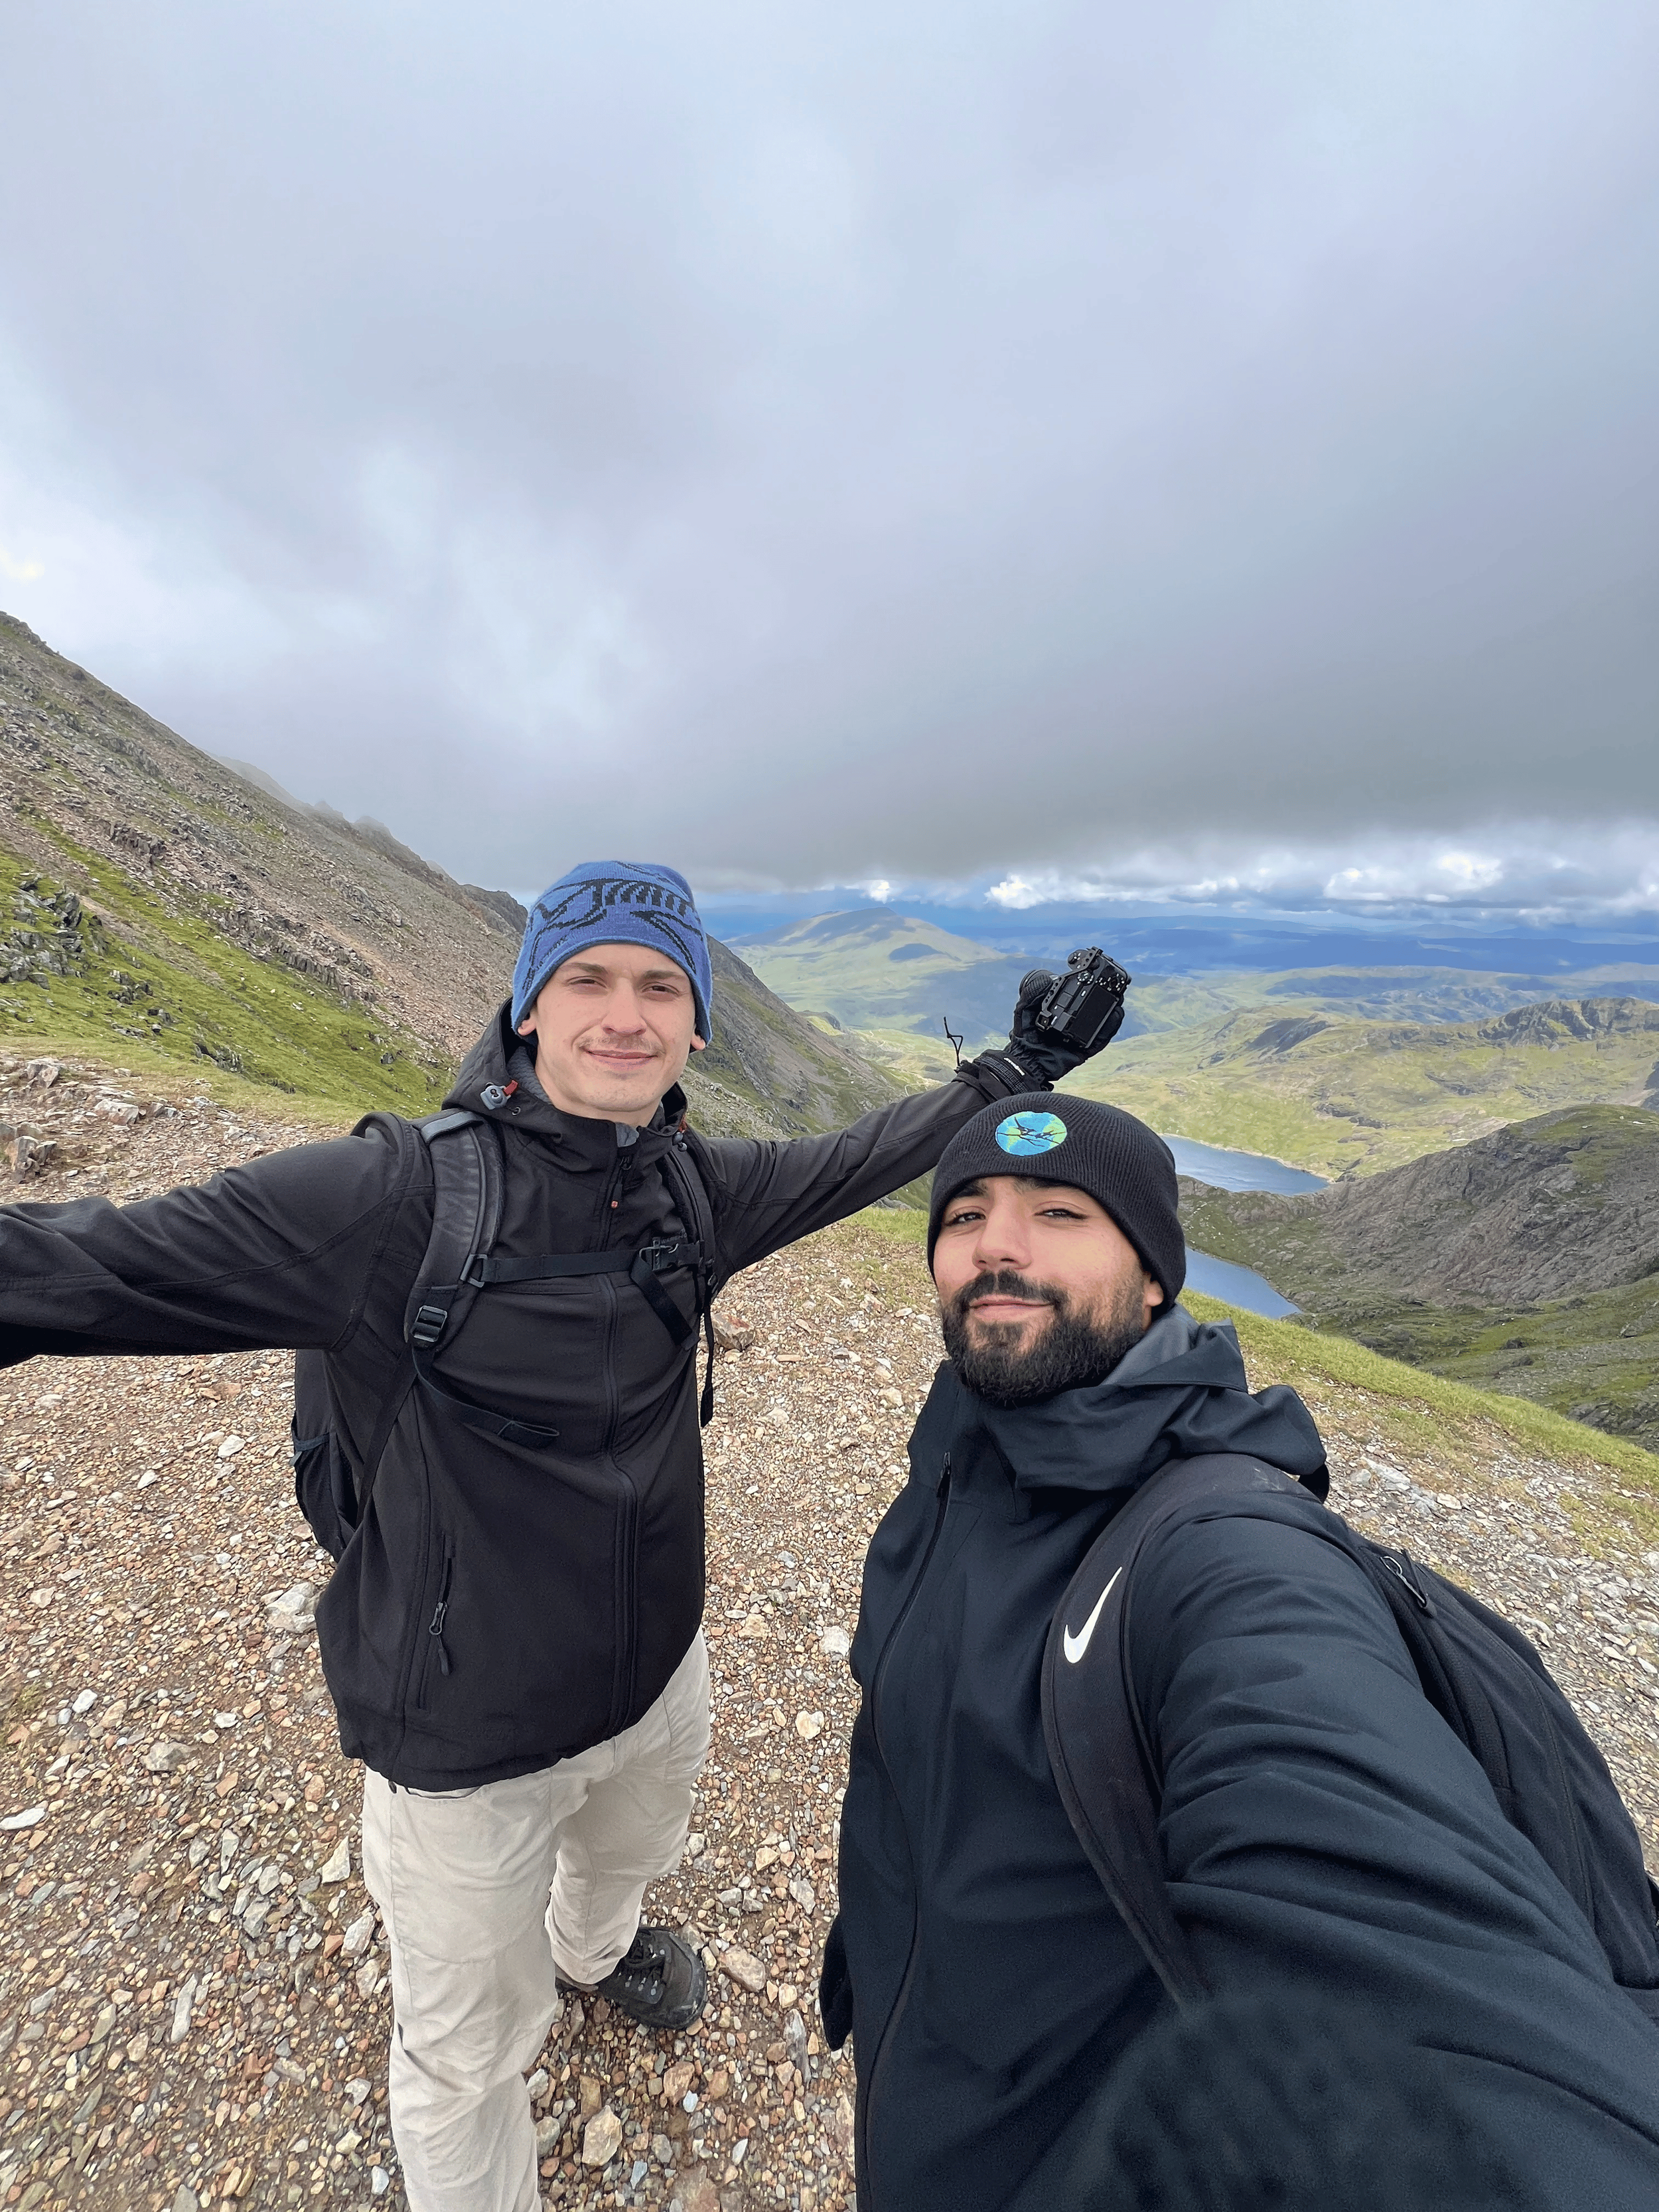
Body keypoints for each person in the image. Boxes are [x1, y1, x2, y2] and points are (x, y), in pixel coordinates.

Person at [0, 863, 1118, 2212]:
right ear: (527, 1004)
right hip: (462, 1743)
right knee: (465, 2052)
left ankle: (595, 1951)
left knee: (622, 1862)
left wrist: (1016, 1069)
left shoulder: (692, 1190)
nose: (624, 1013)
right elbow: (98, 1264)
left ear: (697, 1021)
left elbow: (851, 1165)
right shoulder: (386, 1199)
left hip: (655, 1673)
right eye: (586, 977)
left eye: (659, 984)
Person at [821, 1090, 1659, 2212]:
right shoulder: (973, 1439)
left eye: (1060, 1213)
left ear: (1157, 1276)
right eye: (966, 1212)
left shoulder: (1226, 1554)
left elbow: (1427, 1985)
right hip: (926, 2071)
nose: (997, 1247)